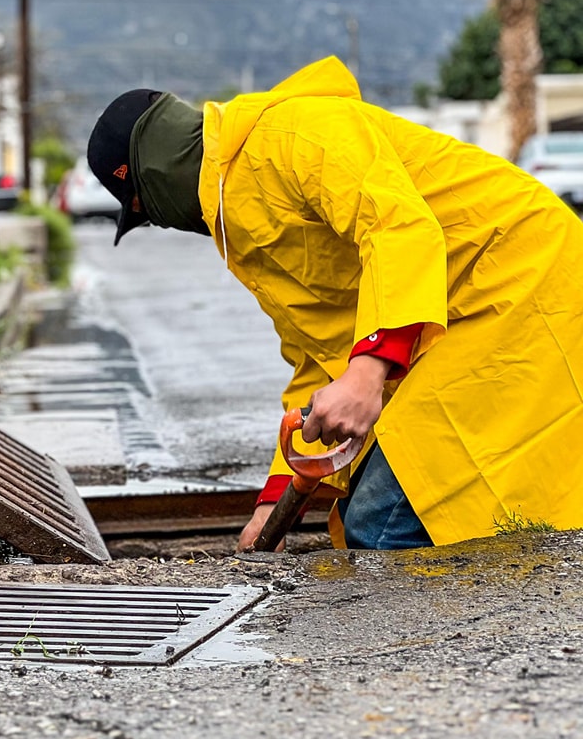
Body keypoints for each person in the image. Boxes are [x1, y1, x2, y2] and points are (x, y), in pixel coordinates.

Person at [86, 56, 583, 551]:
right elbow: (318, 352)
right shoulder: (237, 219)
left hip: (517, 280)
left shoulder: (291, 133)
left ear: (152, 176)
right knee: (367, 515)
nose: (164, 222)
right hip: (467, 310)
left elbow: (398, 229)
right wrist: (275, 499)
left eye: (146, 210)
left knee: (382, 524)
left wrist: (367, 372)